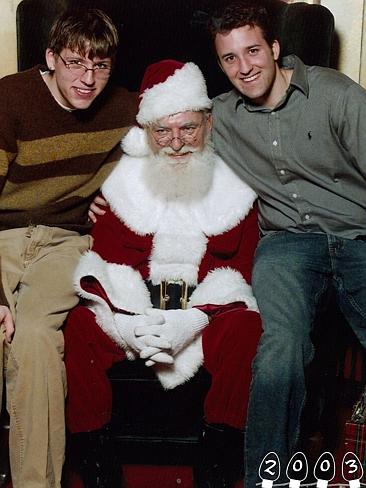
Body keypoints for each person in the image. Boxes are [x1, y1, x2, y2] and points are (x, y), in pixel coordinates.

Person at [63, 59, 262, 488]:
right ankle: (94, 455)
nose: (175, 143)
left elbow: (240, 271)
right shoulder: (121, 183)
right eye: (163, 132)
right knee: (79, 325)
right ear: (147, 133)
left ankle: (218, 454)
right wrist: (132, 322)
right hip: (137, 306)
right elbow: (107, 260)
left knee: (246, 328)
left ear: (207, 124)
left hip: (205, 308)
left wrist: (192, 318)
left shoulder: (236, 183)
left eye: (187, 128)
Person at [209, 1, 366, 486]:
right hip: (288, 245)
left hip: (359, 236)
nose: (244, 67)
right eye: (230, 58)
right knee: (280, 347)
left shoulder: (336, 95)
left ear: (275, 48)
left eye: (253, 51)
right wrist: (98, 198)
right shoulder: (220, 116)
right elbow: (155, 138)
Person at [0, 8, 137, 488]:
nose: (88, 79)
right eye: (76, 63)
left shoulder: (124, 108)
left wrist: (116, 193)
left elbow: (183, 135)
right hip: (2, 239)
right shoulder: (8, 99)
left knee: (35, 336)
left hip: (64, 241)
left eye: (100, 66)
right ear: (50, 58)